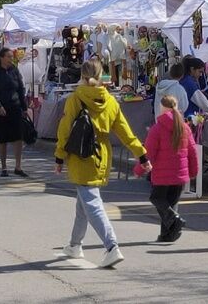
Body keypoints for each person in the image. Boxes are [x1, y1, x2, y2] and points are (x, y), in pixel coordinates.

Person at [55, 58, 151, 268]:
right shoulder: (110, 101)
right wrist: (142, 155)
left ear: (81, 75)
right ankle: (75, 245)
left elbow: (64, 130)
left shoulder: (75, 99)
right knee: (84, 203)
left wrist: (59, 156)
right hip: (101, 156)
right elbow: (126, 134)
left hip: (81, 156)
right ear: (102, 77)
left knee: (91, 203)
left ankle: (111, 246)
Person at [143, 95, 198, 242]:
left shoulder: (157, 128)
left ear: (162, 107)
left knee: (157, 198)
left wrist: (140, 168)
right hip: (180, 173)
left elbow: (149, 152)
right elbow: (192, 151)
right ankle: (167, 234)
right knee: (171, 202)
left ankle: (175, 220)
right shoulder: (184, 127)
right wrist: (193, 170)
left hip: (162, 173)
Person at [0, 48, 29, 177]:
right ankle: (4, 167)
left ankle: (18, 166)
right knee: (2, 138)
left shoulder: (14, 70)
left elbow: (21, 89)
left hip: (15, 107)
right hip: (1, 109)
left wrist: (24, 107)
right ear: (1, 57)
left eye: (12, 56)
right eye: (9, 56)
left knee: (18, 137)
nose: (11, 59)